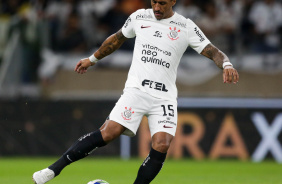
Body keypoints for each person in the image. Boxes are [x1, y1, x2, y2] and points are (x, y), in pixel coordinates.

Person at [32, 0, 239, 184]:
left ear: (173, 2)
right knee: (109, 132)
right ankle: (52, 170)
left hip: (164, 97)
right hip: (137, 91)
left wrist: (227, 64)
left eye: (162, 3)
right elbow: (116, 39)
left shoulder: (185, 26)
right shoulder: (139, 17)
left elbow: (212, 50)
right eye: (154, 2)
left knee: (162, 144)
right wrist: (92, 59)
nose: (157, 7)